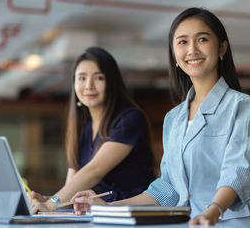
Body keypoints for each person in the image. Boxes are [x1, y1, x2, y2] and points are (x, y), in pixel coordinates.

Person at [71, 8, 250, 227]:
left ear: (222, 47)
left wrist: (214, 210)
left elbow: (238, 171)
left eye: (202, 39)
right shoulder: (173, 119)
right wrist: (108, 207)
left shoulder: (240, 105)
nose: (192, 50)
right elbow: (168, 189)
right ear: (174, 53)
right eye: (182, 42)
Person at [29, 47, 155, 213]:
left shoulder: (129, 119)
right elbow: (71, 187)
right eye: (82, 78)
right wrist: (47, 200)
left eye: (98, 78)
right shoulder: (84, 129)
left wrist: (52, 203)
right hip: (96, 217)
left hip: (130, 216)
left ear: (112, 83)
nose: (89, 86)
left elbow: (94, 171)